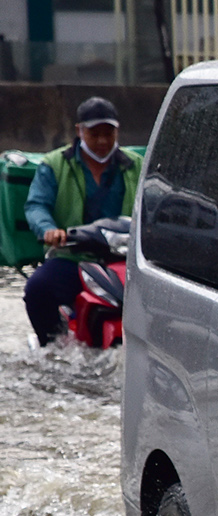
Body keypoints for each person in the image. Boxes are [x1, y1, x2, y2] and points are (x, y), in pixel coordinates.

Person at [22, 97, 142, 346]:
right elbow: (36, 205)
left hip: (124, 261)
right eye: (94, 133)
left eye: (108, 134)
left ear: (117, 131)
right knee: (37, 289)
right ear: (79, 131)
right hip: (73, 258)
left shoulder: (137, 165)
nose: (102, 141)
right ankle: (51, 346)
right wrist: (49, 230)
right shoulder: (54, 164)